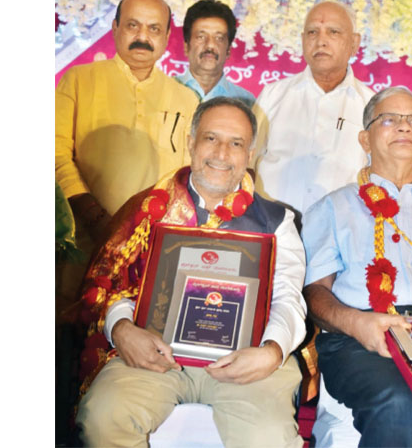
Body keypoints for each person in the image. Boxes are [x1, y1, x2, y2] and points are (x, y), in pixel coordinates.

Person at [75, 97, 307, 448]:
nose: (222, 153)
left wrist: (271, 352)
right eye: (211, 138)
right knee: (103, 418)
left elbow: (288, 296)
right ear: (191, 142)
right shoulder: (148, 209)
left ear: (251, 153)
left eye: (236, 143)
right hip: (157, 356)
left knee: (268, 438)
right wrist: (122, 328)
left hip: (248, 362)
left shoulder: (277, 222)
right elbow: (115, 283)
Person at [301, 86, 412, 447]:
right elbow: (314, 293)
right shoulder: (333, 208)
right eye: (390, 119)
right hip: (361, 340)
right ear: (365, 139)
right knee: (398, 401)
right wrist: (358, 323)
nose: (404, 127)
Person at [55, 0, 200, 255]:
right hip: (83, 235)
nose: (142, 37)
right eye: (133, 25)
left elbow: (187, 174)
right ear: (115, 28)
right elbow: (55, 151)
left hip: (150, 245)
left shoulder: (187, 100)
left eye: (154, 29)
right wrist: (88, 210)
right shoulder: (78, 80)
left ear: (167, 37)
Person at [252, 1, 376, 217]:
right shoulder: (272, 95)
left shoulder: (372, 105)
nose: (321, 41)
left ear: (354, 43)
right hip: (273, 229)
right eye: (312, 32)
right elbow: (246, 161)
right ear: (302, 40)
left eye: (333, 32)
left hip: (340, 233)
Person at [174, 0, 256, 105]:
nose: (210, 45)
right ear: (186, 47)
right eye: (201, 37)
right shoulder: (161, 92)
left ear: (228, 50)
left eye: (219, 38)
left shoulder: (246, 102)